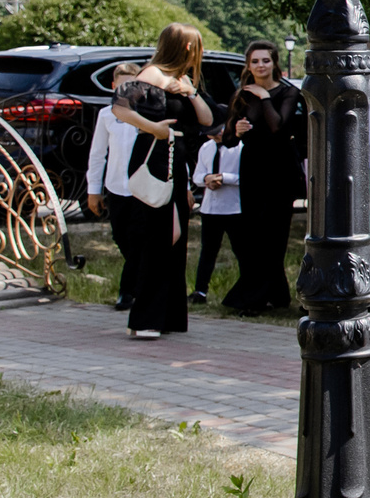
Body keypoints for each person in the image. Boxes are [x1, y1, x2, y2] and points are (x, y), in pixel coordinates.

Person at [108, 24, 217, 341]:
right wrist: (153, 128)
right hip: (155, 156)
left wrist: (191, 92)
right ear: (183, 47)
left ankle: (166, 314)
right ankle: (144, 318)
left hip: (176, 161)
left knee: (175, 238)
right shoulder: (151, 74)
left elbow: (208, 120)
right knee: (156, 239)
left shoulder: (183, 80)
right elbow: (120, 107)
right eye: (195, 47)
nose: (198, 53)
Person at [221, 40, 302, 316]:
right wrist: (238, 129)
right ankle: (275, 294)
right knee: (252, 233)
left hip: (280, 169)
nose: (260, 66)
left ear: (274, 63)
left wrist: (264, 97)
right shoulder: (241, 95)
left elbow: (279, 127)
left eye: (265, 61)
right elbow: (228, 140)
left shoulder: (288, 92)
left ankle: (258, 297)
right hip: (253, 167)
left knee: (275, 233)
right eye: (255, 61)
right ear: (248, 64)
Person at [85, 59, 140, 311]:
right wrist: (93, 190)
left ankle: (128, 291)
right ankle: (140, 278)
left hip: (143, 186)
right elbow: (98, 154)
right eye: (122, 85)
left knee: (137, 237)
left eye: (133, 84)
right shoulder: (107, 115)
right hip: (116, 185)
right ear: (113, 86)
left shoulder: (148, 112)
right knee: (120, 235)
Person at [189, 126, 244, 303]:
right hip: (210, 208)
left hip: (234, 208)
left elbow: (248, 176)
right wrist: (207, 179)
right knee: (208, 251)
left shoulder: (240, 146)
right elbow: (197, 176)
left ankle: (246, 288)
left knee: (241, 251)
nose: (214, 137)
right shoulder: (206, 147)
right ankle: (200, 291)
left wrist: (224, 178)